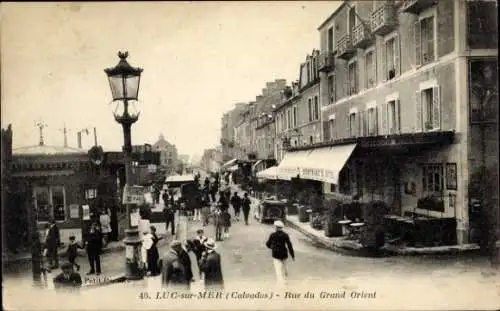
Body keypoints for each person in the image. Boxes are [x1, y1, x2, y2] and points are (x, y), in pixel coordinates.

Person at [266, 220, 295, 285]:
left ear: (276, 227)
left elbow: (268, 244)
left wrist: (271, 247)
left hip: (276, 254)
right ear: (281, 228)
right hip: (284, 253)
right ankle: (286, 278)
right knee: (285, 266)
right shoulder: (285, 235)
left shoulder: (272, 235)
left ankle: (280, 280)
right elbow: (289, 245)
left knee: (278, 268)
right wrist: (292, 255)